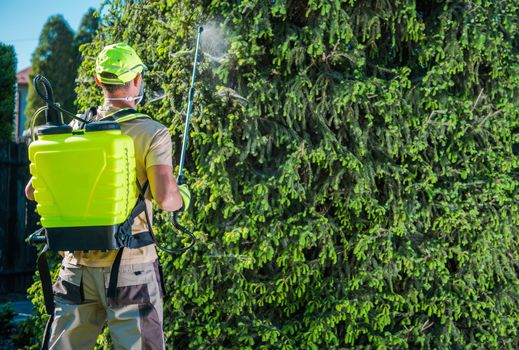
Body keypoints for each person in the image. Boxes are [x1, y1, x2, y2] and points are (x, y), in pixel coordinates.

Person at [25, 42, 190, 349]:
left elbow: (32, 192)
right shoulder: (152, 132)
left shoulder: (73, 130)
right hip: (133, 269)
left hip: (75, 268)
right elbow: (167, 199)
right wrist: (184, 194)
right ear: (137, 80)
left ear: (99, 82)